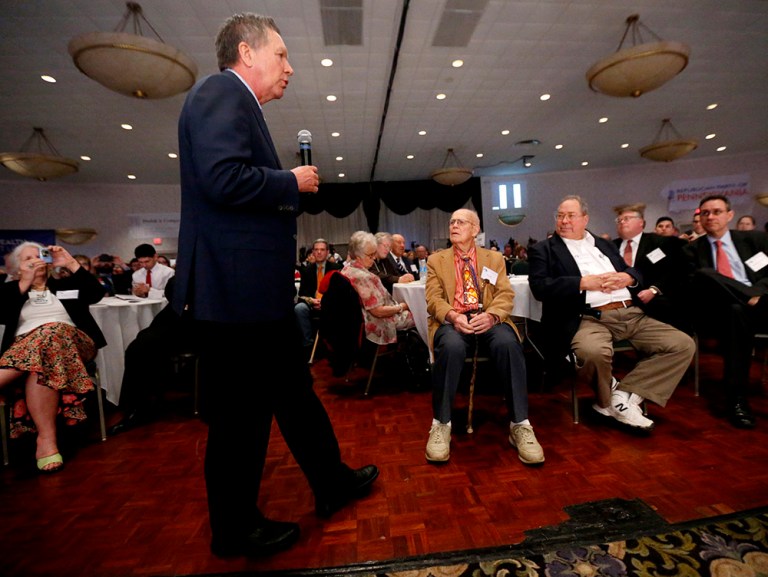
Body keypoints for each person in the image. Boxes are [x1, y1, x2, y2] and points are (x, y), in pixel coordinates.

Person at [174, 12, 378, 558]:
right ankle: (233, 530)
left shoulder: (238, 103)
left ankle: (330, 481)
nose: (290, 67)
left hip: (251, 293)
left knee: (293, 393)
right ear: (247, 53)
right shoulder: (222, 92)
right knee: (241, 417)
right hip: (234, 294)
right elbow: (222, 179)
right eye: (282, 55)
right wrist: (289, 180)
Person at [528, 196, 695, 432]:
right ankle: (610, 402)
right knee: (592, 352)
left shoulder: (604, 244)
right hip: (588, 317)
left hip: (631, 312)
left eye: (570, 215)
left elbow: (632, 270)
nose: (564, 221)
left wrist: (628, 277)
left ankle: (624, 394)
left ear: (585, 219)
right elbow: (539, 287)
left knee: (682, 344)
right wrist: (583, 282)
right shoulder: (543, 249)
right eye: (560, 216)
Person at [424, 209, 544, 465]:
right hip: (453, 319)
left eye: (461, 222)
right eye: (452, 221)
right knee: (452, 346)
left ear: (475, 229)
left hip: (487, 316)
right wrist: (454, 316)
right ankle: (441, 423)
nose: (454, 226)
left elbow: (505, 295)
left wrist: (492, 315)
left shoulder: (494, 258)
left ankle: (520, 424)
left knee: (507, 343)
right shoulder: (437, 260)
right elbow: (433, 299)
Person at [0, 242, 106, 473]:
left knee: (53, 330)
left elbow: (97, 294)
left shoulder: (65, 284)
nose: (35, 260)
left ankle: (3, 375)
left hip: (76, 344)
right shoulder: (9, 291)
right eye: (28, 258)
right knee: (45, 353)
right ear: (17, 267)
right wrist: (25, 282)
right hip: (33, 350)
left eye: (39, 256)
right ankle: (47, 441)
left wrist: (70, 263)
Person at [683, 194, 768, 429]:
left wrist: (757, 293)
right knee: (708, 278)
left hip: (762, 304)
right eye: (705, 213)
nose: (711, 217)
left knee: (739, 307)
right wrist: (747, 295)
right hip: (720, 313)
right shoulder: (692, 250)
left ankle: (749, 299)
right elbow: (695, 289)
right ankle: (737, 399)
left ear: (730, 215)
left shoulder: (755, 240)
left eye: (717, 211)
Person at [613, 203, 691, 333]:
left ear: (641, 222)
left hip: (651, 297)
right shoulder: (611, 246)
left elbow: (673, 270)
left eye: (626, 219)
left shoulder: (659, 242)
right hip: (618, 299)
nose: (622, 222)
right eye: (619, 220)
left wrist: (654, 290)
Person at [341, 231, 415, 344]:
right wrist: (401, 307)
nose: (374, 258)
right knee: (422, 315)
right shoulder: (364, 277)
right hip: (380, 322)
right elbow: (378, 312)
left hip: (362, 320)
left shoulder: (346, 270)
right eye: (370, 255)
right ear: (358, 256)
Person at [294, 238, 342, 355]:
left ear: (327, 252)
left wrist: (325, 302)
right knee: (299, 308)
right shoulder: (306, 270)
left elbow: (340, 293)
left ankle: (333, 344)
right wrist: (311, 301)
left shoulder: (336, 268)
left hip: (330, 304)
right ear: (313, 252)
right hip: (312, 303)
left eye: (322, 250)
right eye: (316, 250)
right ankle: (308, 344)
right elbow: (302, 294)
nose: (319, 252)